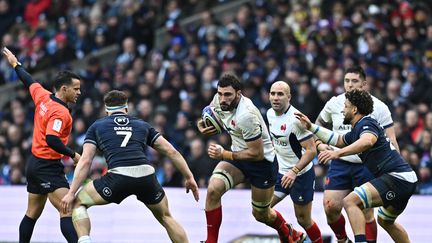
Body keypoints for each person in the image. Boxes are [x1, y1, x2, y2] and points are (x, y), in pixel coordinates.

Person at [61, 90, 199, 243]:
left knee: (78, 202)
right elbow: (171, 151)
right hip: (146, 176)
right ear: (126, 109)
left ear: (106, 110)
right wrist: (189, 177)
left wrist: (71, 192)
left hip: (118, 177)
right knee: (166, 217)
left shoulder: (97, 126)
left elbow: (86, 160)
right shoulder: (142, 125)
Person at [296, 89, 417, 243]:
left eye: (345, 106)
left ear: (354, 109)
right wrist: (311, 127)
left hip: (397, 178)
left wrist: (337, 154)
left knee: (350, 201)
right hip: (406, 179)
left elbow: (367, 141)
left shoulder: (367, 123)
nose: (342, 110)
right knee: (386, 221)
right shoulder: (357, 128)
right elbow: (338, 140)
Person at [197, 73, 305, 243]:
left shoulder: (246, 115)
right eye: (220, 94)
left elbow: (257, 153)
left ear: (238, 94)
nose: (222, 99)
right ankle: (211, 241)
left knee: (261, 214)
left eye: (228, 95)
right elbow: (208, 112)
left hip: (262, 164)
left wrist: (223, 154)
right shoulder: (219, 100)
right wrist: (201, 124)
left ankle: (287, 230)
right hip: (238, 157)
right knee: (213, 189)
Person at [2, 47, 81, 243]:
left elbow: (28, 79)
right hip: (47, 167)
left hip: (34, 163)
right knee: (68, 209)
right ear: (64, 89)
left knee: (32, 213)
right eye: (76, 88)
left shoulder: (43, 96)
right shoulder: (61, 113)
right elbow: (52, 139)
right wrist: (73, 155)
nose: (79, 92)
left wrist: (15, 64)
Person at [315, 66, 399, 243]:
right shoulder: (334, 103)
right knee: (330, 206)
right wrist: (319, 144)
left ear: (364, 84)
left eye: (355, 81)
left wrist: (394, 170)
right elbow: (319, 125)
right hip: (340, 163)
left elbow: (392, 140)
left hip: (367, 163)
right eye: (347, 81)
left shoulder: (380, 107)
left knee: (366, 211)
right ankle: (343, 240)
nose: (350, 85)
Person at [267, 81, 323, 243]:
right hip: (281, 173)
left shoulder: (296, 119)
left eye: (280, 94)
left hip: (301, 175)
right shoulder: (270, 113)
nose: (275, 98)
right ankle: (290, 233)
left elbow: (312, 150)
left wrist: (294, 171)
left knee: (304, 220)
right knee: (261, 210)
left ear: (289, 97)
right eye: (273, 93)